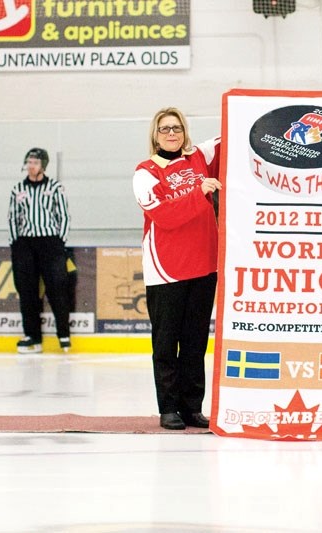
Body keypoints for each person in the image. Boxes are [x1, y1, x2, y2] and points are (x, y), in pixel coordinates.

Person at [132, 107, 222, 430]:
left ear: (185, 132)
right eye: (164, 129)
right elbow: (166, 216)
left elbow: (236, 133)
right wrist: (199, 193)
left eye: (177, 128)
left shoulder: (199, 156)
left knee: (196, 342)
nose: (171, 133)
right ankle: (169, 407)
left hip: (204, 265)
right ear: (155, 135)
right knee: (167, 342)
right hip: (165, 270)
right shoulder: (144, 173)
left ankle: (192, 407)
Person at [8, 148, 72, 354]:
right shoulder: (18, 189)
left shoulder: (55, 187)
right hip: (25, 244)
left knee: (57, 289)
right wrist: (15, 243)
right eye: (29, 162)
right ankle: (32, 337)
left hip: (50, 243)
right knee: (27, 291)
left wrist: (59, 241)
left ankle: (63, 334)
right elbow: (12, 218)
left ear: (43, 165)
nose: (31, 166)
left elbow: (63, 216)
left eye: (35, 162)